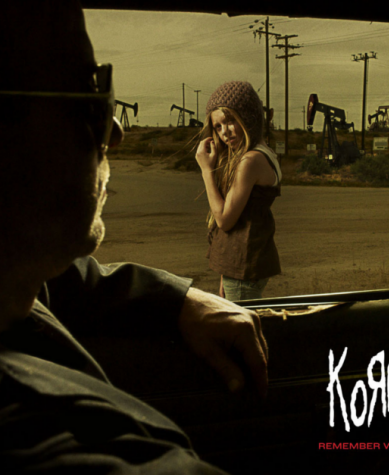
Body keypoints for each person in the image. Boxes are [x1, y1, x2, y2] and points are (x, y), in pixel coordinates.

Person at [0, 2, 267, 473]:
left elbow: (59, 282)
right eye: (91, 94)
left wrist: (171, 299)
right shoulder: (45, 447)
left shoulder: (12, 276)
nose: (116, 132)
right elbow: (224, 219)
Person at [196, 81, 282, 301]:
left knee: (240, 322)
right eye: (218, 127)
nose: (225, 132)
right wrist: (226, 272)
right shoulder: (263, 154)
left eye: (230, 121)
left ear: (249, 116)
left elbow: (225, 220)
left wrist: (206, 170)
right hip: (239, 265)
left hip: (244, 267)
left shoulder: (250, 160)